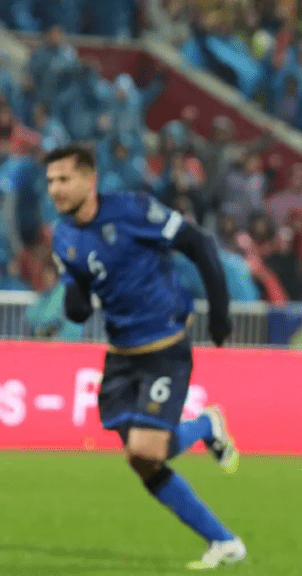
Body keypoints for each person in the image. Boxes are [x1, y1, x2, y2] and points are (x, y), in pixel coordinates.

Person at [47, 144, 244, 569]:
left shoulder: (133, 210)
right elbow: (77, 297)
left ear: (89, 179)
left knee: (148, 450)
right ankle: (224, 540)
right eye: (50, 181)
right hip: (120, 356)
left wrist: (220, 313)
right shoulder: (63, 236)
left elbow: (199, 244)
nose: (55, 189)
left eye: (63, 179)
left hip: (164, 350)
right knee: (142, 459)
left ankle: (208, 426)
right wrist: (75, 299)